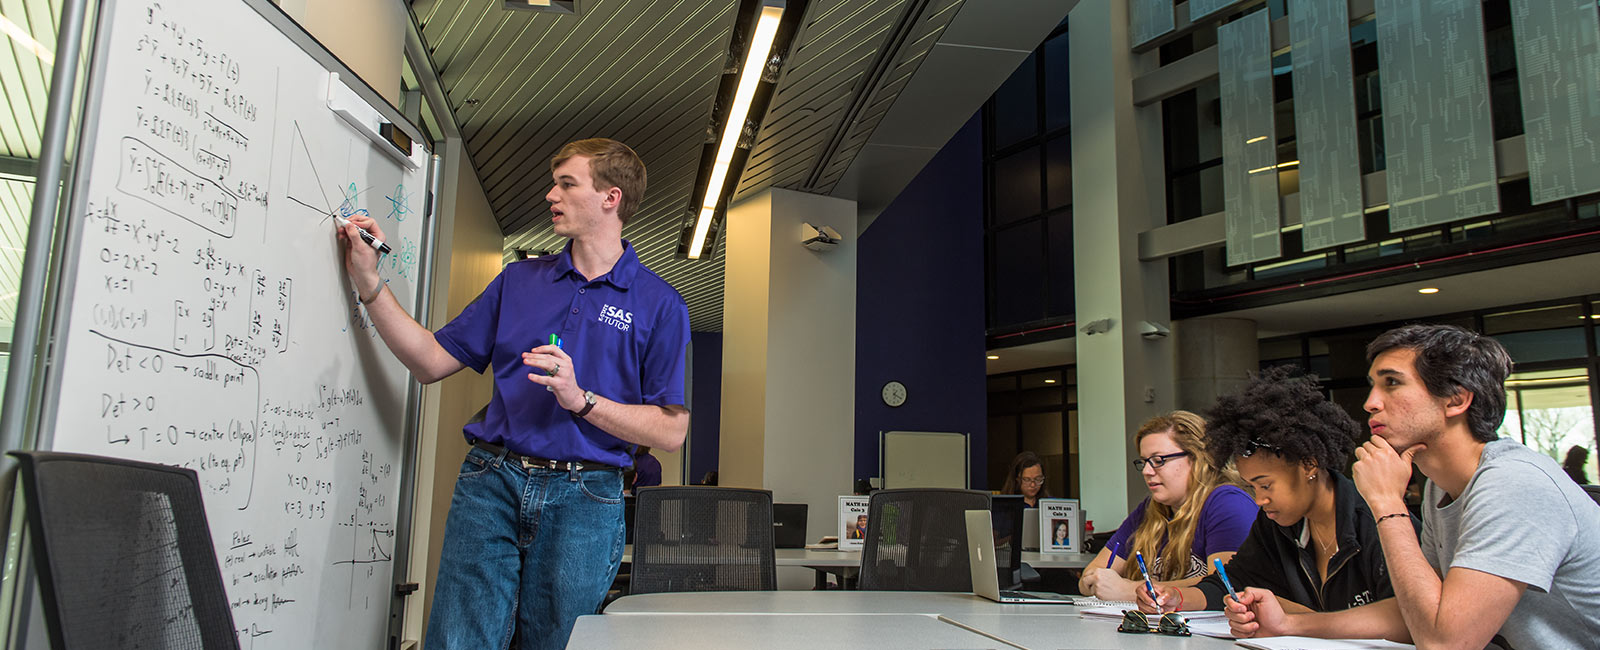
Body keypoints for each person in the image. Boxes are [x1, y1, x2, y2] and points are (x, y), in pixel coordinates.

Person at [337, 138, 690, 650]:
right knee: (458, 640)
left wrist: (581, 399)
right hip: (492, 481)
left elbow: (672, 430)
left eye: (567, 184)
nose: (551, 194)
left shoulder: (660, 305)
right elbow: (431, 361)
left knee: (555, 643)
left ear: (611, 198)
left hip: (586, 498)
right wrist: (369, 281)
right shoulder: (518, 281)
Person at [1224, 325, 1600, 649]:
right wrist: (1289, 624)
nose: (1370, 403)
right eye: (1373, 386)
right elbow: (1416, 613)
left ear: (1456, 398)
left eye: (1392, 384)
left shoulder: (1513, 484)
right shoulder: (1441, 487)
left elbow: (1447, 642)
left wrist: (1388, 504)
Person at [1137, 367, 1415, 620]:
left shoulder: (1378, 520)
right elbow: (1228, 583)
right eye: (1253, 486)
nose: (1259, 500)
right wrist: (1177, 598)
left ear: (1309, 464)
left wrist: (1295, 623)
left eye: (1266, 485)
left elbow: (1405, 617)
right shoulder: (1275, 524)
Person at [1078, 411, 1256, 602]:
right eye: (1144, 462)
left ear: (1197, 458)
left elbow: (1225, 585)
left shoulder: (1228, 501)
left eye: (1158, 460)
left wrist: (1131, 590)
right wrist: (1098, 582)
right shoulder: (1150, 509)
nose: (1146, 471)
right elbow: (1089, 576)